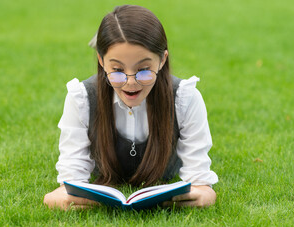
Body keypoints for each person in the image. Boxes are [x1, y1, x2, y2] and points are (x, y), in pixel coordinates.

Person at [43, 5, 218, 210]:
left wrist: (203, 194)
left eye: (143, 70)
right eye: (117, 70)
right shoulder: (81, 98)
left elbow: (200, 182)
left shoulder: (185, 98)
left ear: (162, 60)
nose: (131, 82)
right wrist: (61, 197)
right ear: (101, 61)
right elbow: (70, 181)